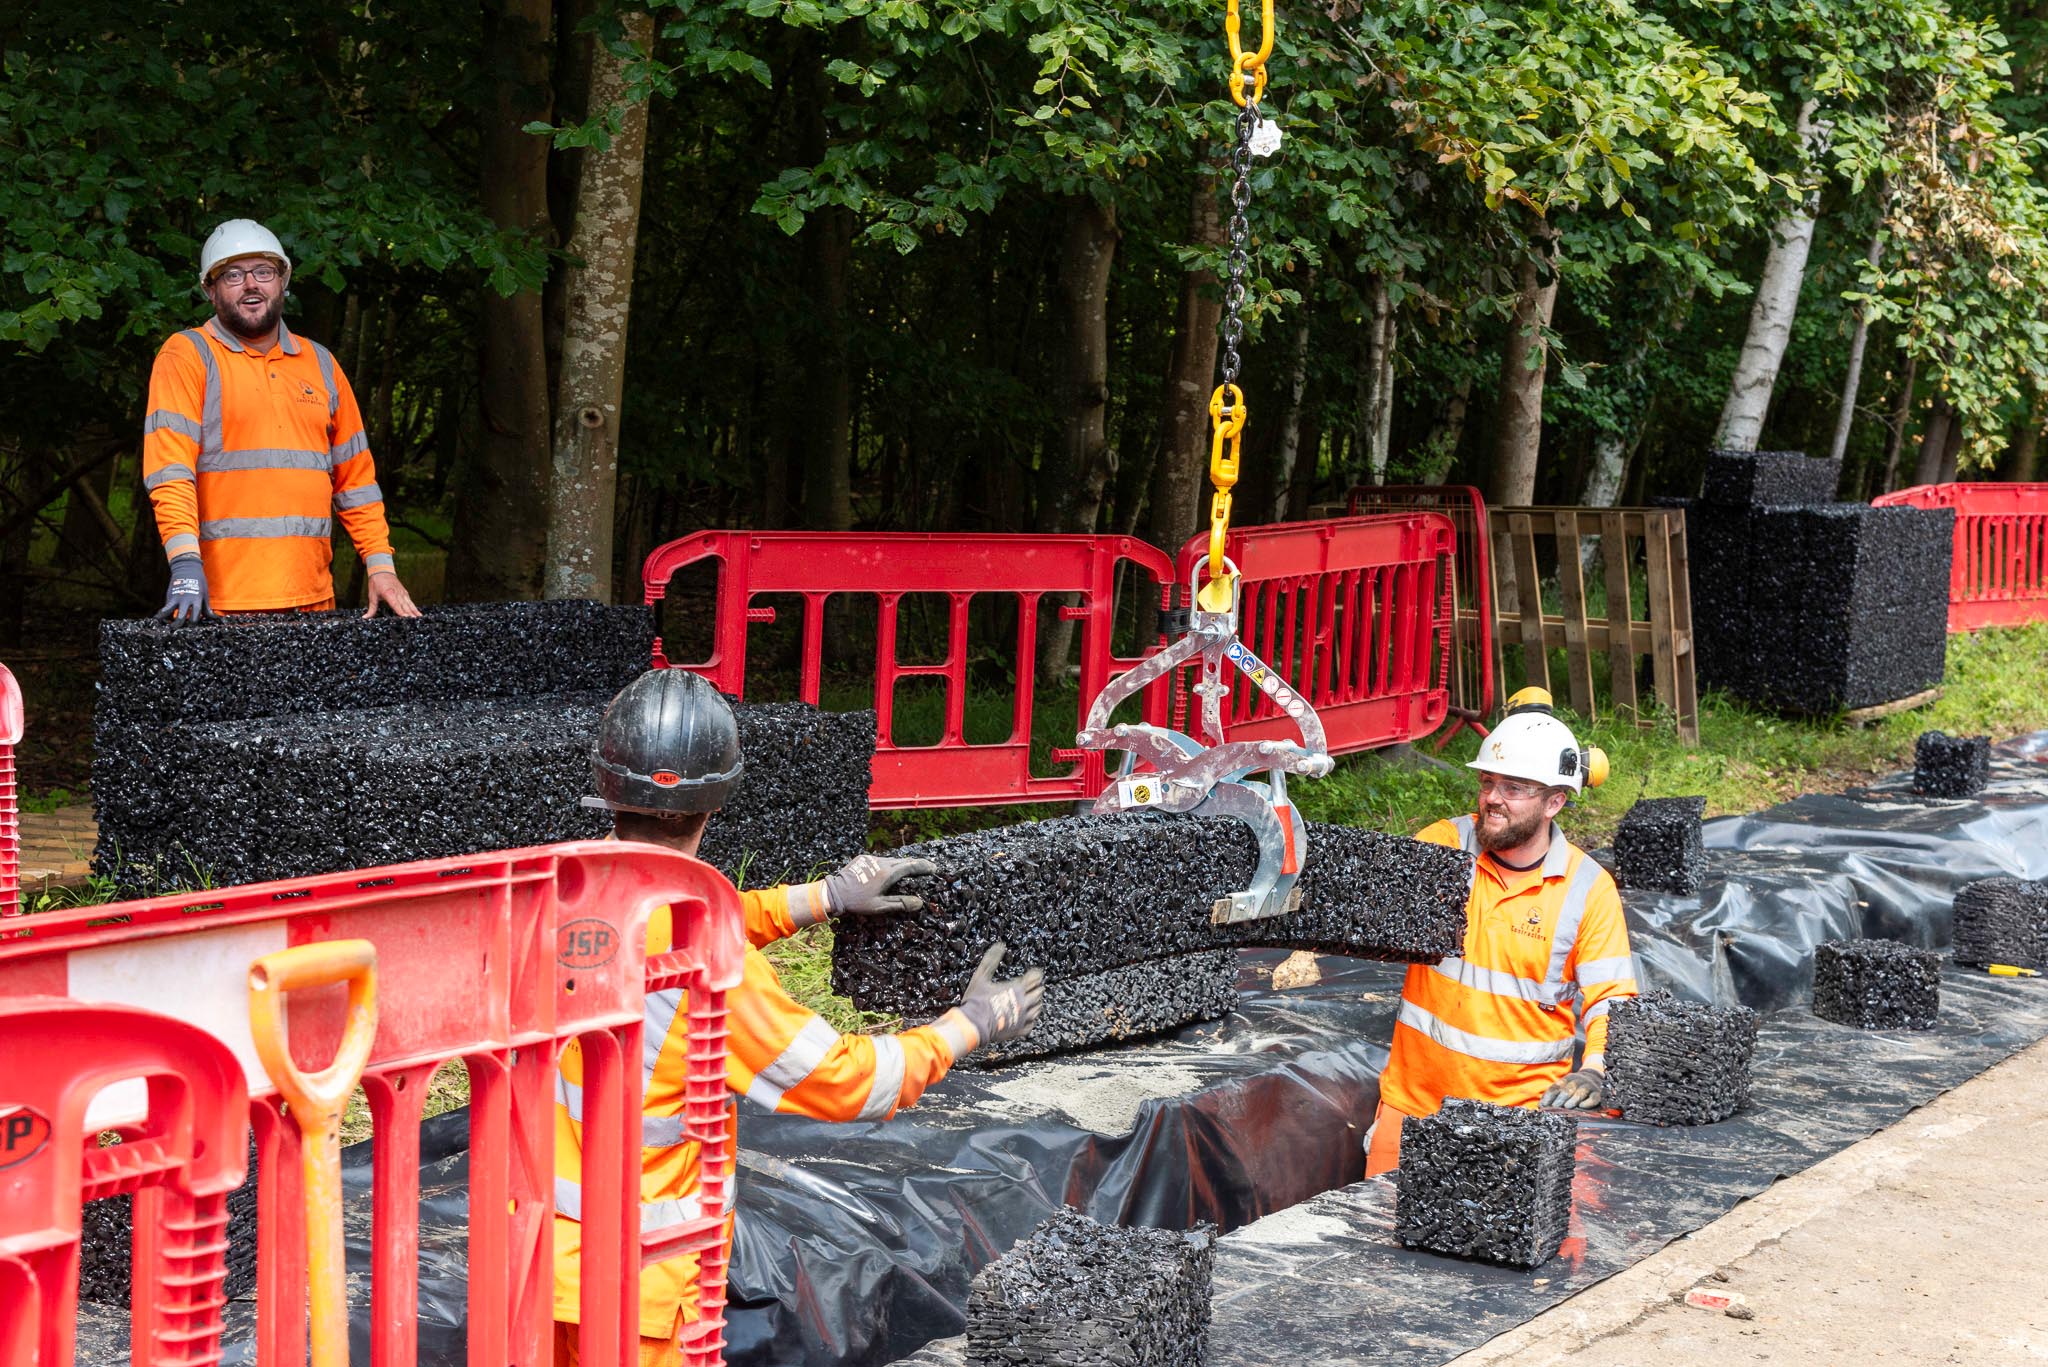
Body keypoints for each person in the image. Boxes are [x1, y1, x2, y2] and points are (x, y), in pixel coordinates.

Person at [552, 668, 1045, 1367]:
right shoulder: (707, 959)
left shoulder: (560, 887)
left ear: (608, 784)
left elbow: (686, 912)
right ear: (714, 803)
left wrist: (824, 896)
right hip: (639, 1287)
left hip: (536, 1261)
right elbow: (845, 1080)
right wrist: (969, 1023)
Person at [1363, 692, 1639, 1179]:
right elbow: (1373, 912)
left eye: (1514, 787)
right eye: (1488, 782)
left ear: (1556, 801)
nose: (1492, 798)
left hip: (1517, 1125)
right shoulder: (1444, 846)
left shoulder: (1587, 890)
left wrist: (1595, 1068)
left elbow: (1611, 1000)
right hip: (1412, 1109)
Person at [141, 218, 420, 621]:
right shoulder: (188, 355)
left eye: (263, 272)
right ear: (210, 289)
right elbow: (170, 471)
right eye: (233, 274)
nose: (250, 284)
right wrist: (185, 565)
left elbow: (356, 481)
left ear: (283, 280)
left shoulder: (321, 364)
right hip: (221, 604)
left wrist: (381, 567)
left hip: (314, 600)